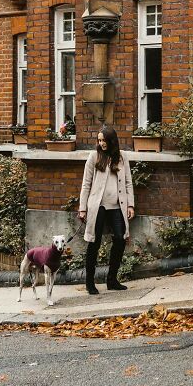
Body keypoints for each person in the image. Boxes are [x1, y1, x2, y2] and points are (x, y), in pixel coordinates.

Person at [78, 124, 135, 294]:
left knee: (120, 239)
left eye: (104, 140)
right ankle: (90, 282)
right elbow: (86, 184)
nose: (101, 143)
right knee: (94, 242)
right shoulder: (94, 156)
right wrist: (82, 208)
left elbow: (128, 182)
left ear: (112, 141)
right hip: (98, 206)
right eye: (99, 140)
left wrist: (130, 205)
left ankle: (112, 280)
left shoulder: (122, 157)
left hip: (117, 206)